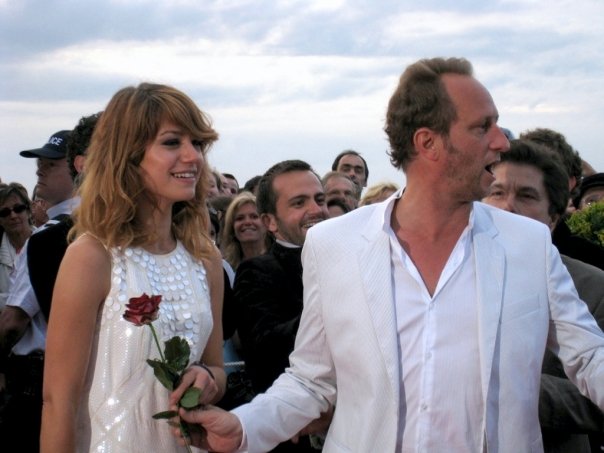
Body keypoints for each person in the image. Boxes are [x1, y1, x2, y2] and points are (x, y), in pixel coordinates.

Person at [172, 57, 604, 453]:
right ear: (428, 142)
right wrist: (244, 428)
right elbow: (310, 381)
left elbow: (588, 356)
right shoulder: (335, 245)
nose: (501, 143)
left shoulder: (526, 243)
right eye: (482, 127)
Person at [40, 83, 226, 452]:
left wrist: (207, 378)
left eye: (198, 144)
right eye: (172, 142)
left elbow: (218, 369)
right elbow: (58, 402)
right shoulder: (92, 257)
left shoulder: (206, 260)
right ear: (128, 155)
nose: (192, 157)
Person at [482, 139, 604, 452]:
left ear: (552, 218)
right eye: (497, 192)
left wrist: (509, 389)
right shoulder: (446, 275)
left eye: (526, 195)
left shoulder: (592, 287)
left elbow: (595, 401)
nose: (508, 206)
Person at [233, 160, 330, 452]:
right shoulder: (257, 272)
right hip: (292, 438)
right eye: (299, 202)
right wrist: (333, 309)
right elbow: (264, 349)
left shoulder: (354, 262)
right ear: (270, 222)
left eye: (320, 199)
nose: (315, 209)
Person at [0, 129, 75, 453]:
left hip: (38, 383)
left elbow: (12, 323)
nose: (40, 169)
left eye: (51, 164)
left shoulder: (47, 238)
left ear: (80, 166)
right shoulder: (104, 228)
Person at [0, 183, 34, 311]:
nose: (13, 216)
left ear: (29, 211)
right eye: (4, 212)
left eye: (18, 208)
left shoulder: (47, 245)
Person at [221, 191, 269, 271]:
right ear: (232, 227)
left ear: (266, 223)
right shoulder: (225, 268)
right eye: (240, 218)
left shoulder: (281, 262)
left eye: (254, 217)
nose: (247, 222)